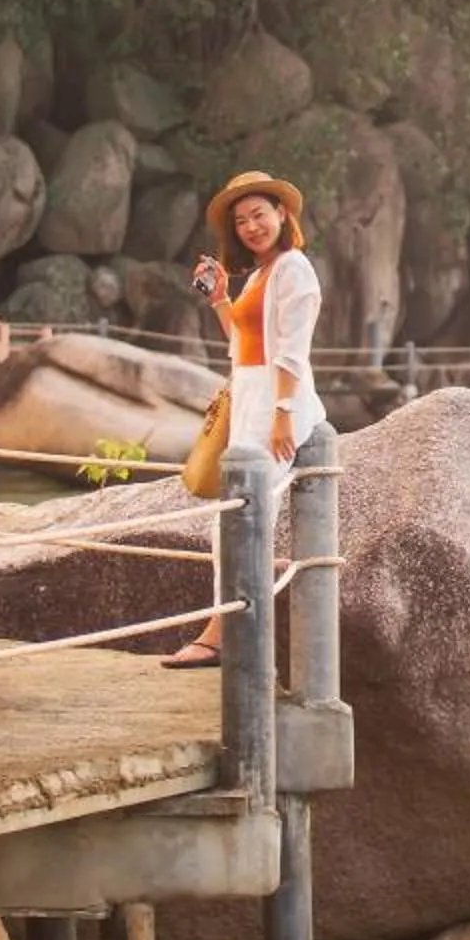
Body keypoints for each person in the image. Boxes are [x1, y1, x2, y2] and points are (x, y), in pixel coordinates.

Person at [162, 170, 327, 668]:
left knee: (241, 516)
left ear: (282, 215)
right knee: (231, 516)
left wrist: (282, 416)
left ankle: (218, 634)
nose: (252, 226)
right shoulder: (259, 274)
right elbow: (242, 345)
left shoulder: (295, 269)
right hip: (251, 396)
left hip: (278, 403)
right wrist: (219, 299)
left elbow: (293, 352)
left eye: (260, 214)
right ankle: (250, 584)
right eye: (242, 220)